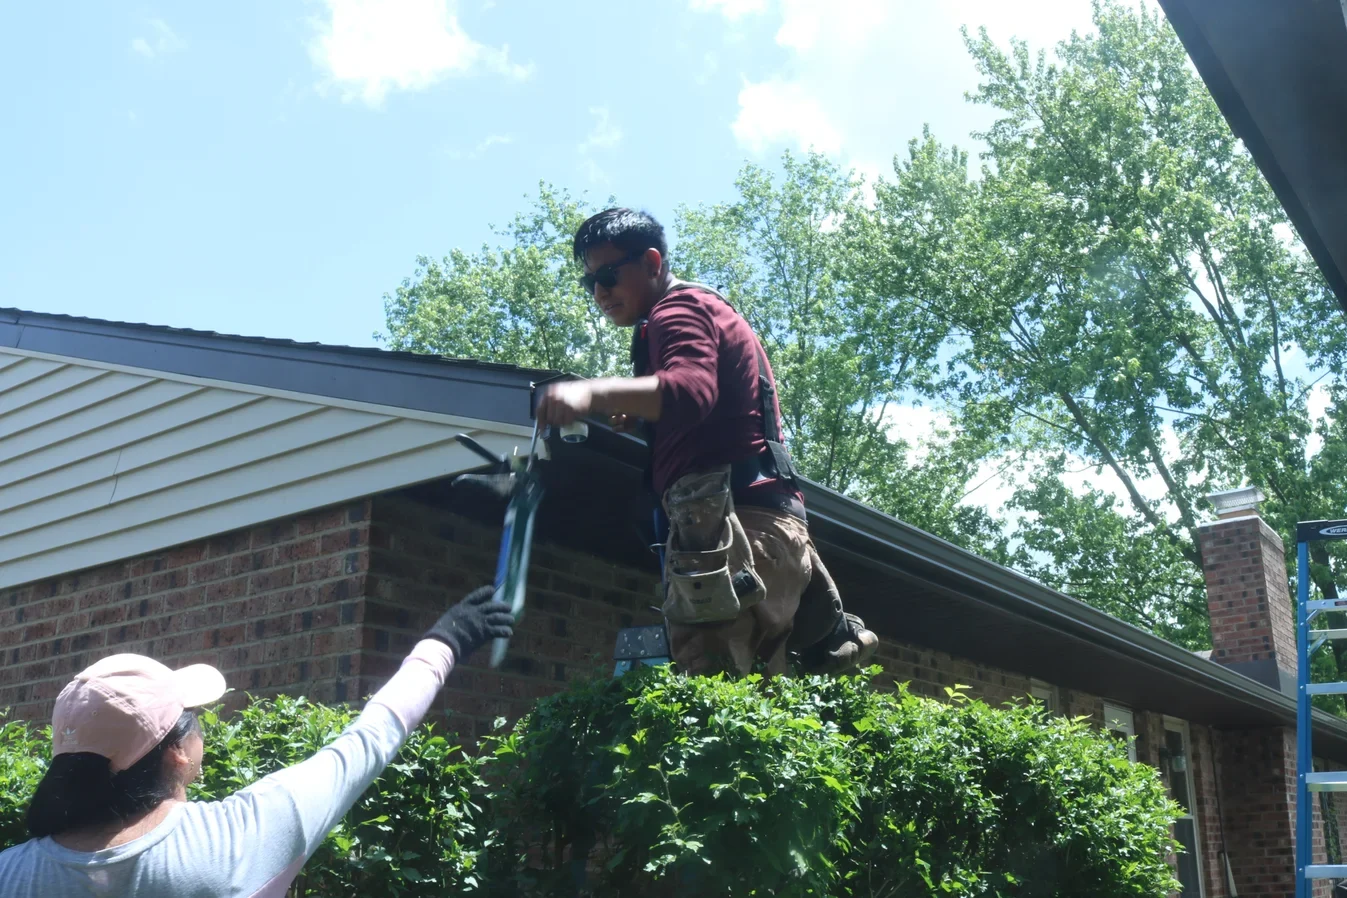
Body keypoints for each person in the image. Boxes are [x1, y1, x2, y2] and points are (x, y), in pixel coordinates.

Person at [535, 207, 878, 678]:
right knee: (757, 706)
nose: (599, 292)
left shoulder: (677, 310)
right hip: (763, 527)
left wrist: (589, 392)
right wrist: (644, 416)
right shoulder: (704, 307)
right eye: (589, 282)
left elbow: (691, 389)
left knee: (714, 697)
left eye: (610, 275)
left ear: (653, 263)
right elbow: (708, 406)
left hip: (738, 531)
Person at [0, 585, 514, 897]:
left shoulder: (11, 874)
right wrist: (447, 638)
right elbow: (370, 738)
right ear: (176, 751)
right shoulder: (238, 840)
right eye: (193, 719)